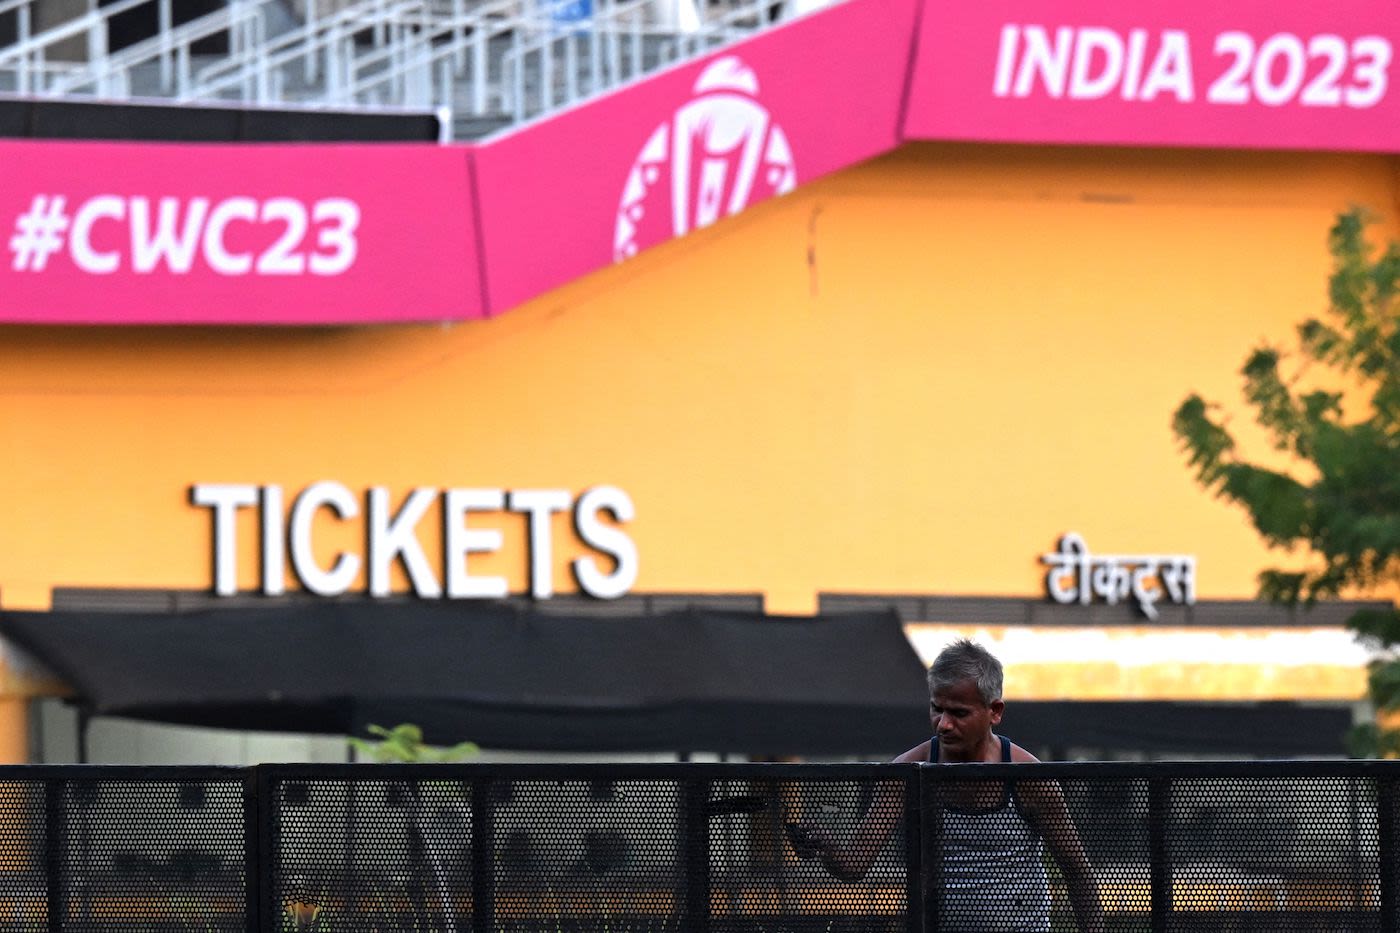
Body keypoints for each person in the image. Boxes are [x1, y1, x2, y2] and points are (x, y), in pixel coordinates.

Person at [786, 639, 1103, 933]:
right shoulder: (908, 773)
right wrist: (823, 843)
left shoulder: (1028, 778)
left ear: (994, 712)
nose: (944, 723)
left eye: (959, 713)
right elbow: (855, 864)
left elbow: (1076, 871)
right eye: (937, 708)